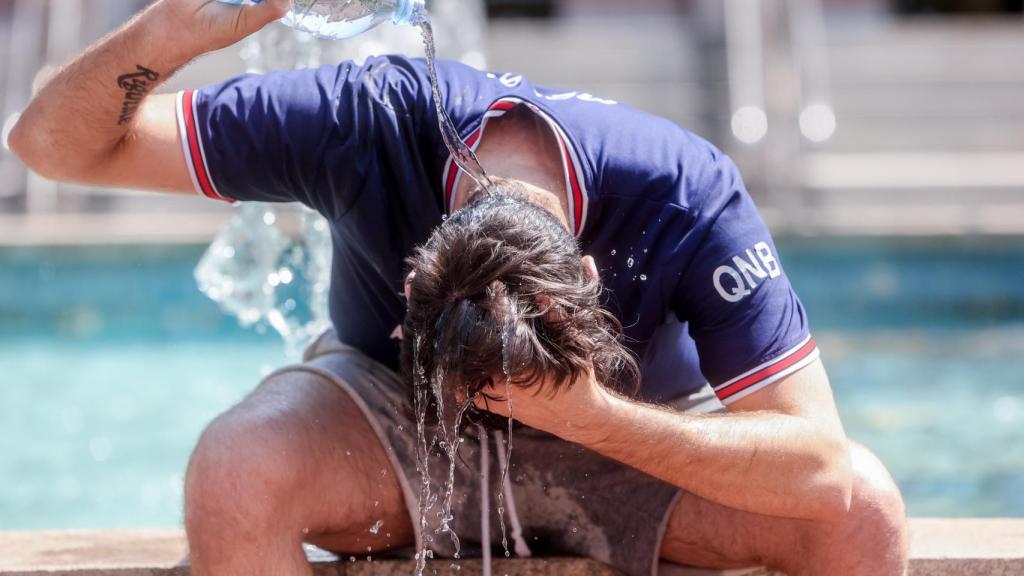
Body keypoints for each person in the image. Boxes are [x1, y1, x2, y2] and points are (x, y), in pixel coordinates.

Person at [9, 1, 909, 575]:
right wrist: (161, 38)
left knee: (863, 513)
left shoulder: (686, 192)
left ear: (589, 282)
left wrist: (594, 416)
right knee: (236, 470)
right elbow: (49, 146)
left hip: (627, 436)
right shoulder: (357, 121)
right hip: (390, 425)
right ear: (417, 277)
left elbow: (825, 471)